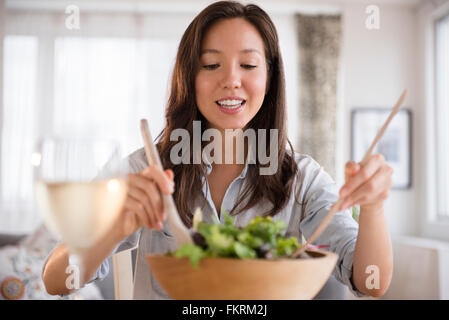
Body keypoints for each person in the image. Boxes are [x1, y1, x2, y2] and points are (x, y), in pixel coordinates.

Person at [42, 1, 393, 299]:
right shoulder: (143, 167)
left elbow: (370, 281)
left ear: (269, 78)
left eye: (249, 65)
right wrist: (114, 226)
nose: (231, 80)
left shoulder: (302, 178)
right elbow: (57, 279)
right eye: (211, 65)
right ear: (189, 76)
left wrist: (374, 207)